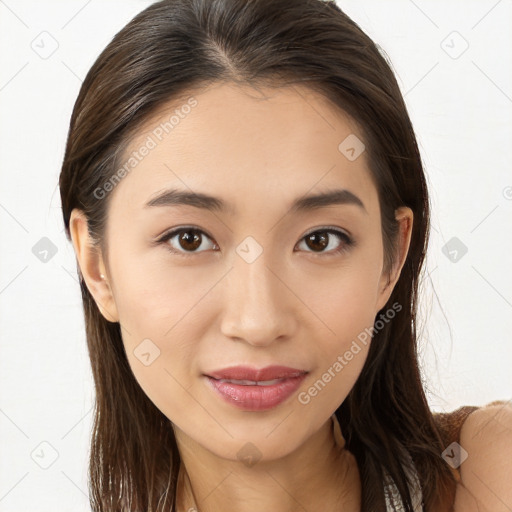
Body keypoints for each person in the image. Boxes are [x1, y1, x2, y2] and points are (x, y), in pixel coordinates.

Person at [58, 0, 512, 510]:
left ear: (392, 258)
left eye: (320, 240)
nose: (258, 321)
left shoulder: (490, 477)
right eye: (189, 238)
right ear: (97, 266)